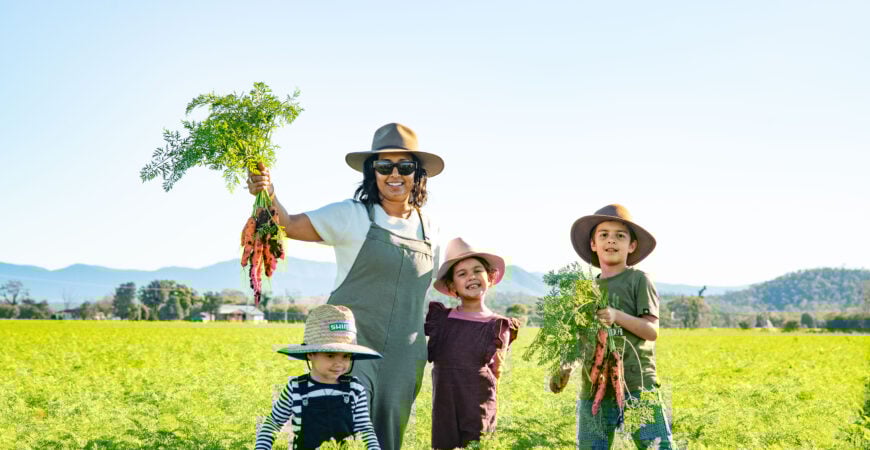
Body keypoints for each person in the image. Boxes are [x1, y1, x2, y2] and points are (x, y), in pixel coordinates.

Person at [248, 123, 443, 450]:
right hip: (348, 348)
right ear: (372, 173)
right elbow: (288, 224)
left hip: (405, 354)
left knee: (387, 439)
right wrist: (266, 191)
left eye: (405, 166)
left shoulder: (431, 228)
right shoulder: (352, 215)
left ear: (418, 174)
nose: (394, 174)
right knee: (340, 432)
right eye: (384, 166)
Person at [550, 204, 674, 449]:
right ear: (593, 244)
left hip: (637, 386)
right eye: (603, 234)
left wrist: (616, 315)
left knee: (657, 446)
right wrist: (565, 366)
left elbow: (651, 331)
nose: (611, 241)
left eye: (620, 235)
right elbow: (579, 338)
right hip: (594, 389)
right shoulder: (584, 290)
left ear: (632, 245)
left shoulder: (639, 280)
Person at [424, 238, 520, 449]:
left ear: (490, 277)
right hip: (444, 409)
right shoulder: (441, 320)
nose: (472, 277)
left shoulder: (498, 325)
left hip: (479, 408)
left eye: (478, 271)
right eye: (462, 274)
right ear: (452, 285)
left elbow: (497, 371)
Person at [255, 304, 382, 450]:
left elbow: (365, 427)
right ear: (310, 354)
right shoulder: (296, 388)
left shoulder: (355, 388)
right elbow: (273, 422)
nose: (339, 363)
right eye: (330, 355)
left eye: (346, 356)